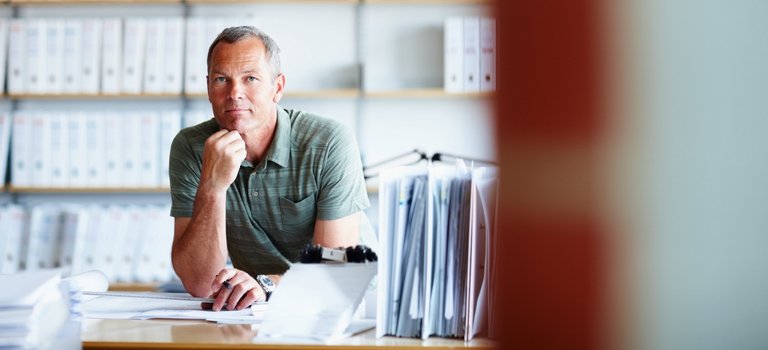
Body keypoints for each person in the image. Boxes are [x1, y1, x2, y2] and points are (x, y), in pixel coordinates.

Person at [168, 26, 369, 311]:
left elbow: (335, 271)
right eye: (221, 79)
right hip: (254, 310)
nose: (234, 93)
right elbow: (200, 283)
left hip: (350, 305)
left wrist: (266, 285)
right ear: (208, 88)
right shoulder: (191, 146)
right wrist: (213, 187)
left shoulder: (329, 142)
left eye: (250, 78)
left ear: (277, 87)